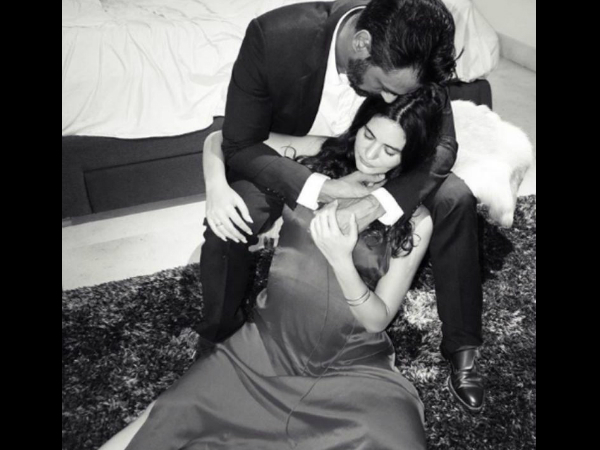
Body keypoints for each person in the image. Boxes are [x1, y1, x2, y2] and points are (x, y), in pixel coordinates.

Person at [99, 87, 441, 450]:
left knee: (390, 437)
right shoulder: (322, 154)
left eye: (389, 150)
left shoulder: (415, 220)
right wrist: (217, 190)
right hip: (264, 349)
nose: (370, 155)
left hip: (350, 367)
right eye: (368, 135)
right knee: (169, 418)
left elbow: (377, 320)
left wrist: (342, 260)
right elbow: (224, 138)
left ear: (410, 156)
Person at [200, 0, 485, 412]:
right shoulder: (273, 37)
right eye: (385, 86)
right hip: (297, 159)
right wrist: (325, 189)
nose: (390, 97)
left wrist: (379, 202)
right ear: (361, 44)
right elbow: (240, 143)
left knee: (455, 197)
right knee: (233, 218)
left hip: (389, 161)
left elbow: (443, 146)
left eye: (400, 93)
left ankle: (463, 347)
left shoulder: (416, 49)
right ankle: (217, 337)